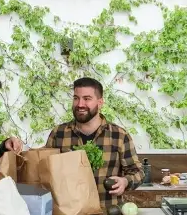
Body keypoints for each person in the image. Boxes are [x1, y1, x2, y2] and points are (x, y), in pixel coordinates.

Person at [44, 77, 143, 208]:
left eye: (87, 98)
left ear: (100, 102)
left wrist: (125, 181)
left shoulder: (119, 135)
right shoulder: (58, 134)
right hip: (69, 214)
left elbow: (138, 172)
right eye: (76, 98)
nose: (80, 104)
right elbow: (45, 172)